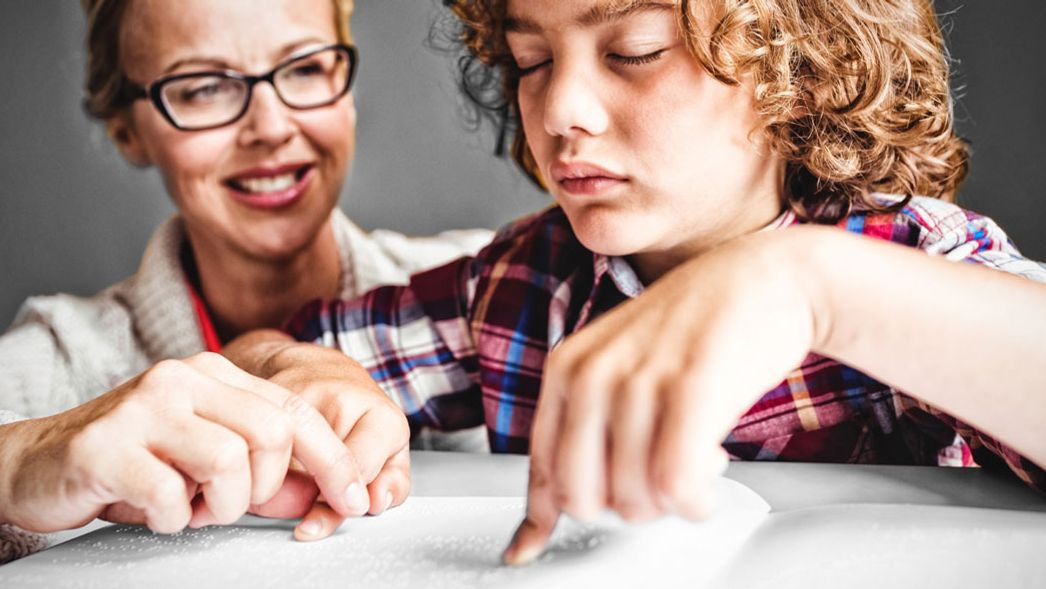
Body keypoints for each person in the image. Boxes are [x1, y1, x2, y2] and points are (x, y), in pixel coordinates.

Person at [262, 0, 1046, 566]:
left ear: (797, 62)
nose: (561, 110)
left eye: (634, 50)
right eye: (532, 60)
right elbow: (275, 355)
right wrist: (303, 372)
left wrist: (819, 288)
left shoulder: (913, 259)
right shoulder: (517, 288)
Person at [0, 0, 491, 564]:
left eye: (305, 67)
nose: (272, 128)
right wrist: (16, 460)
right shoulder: (53, 363)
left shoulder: (494, 293)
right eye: (203, 87)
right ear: (126, 128)